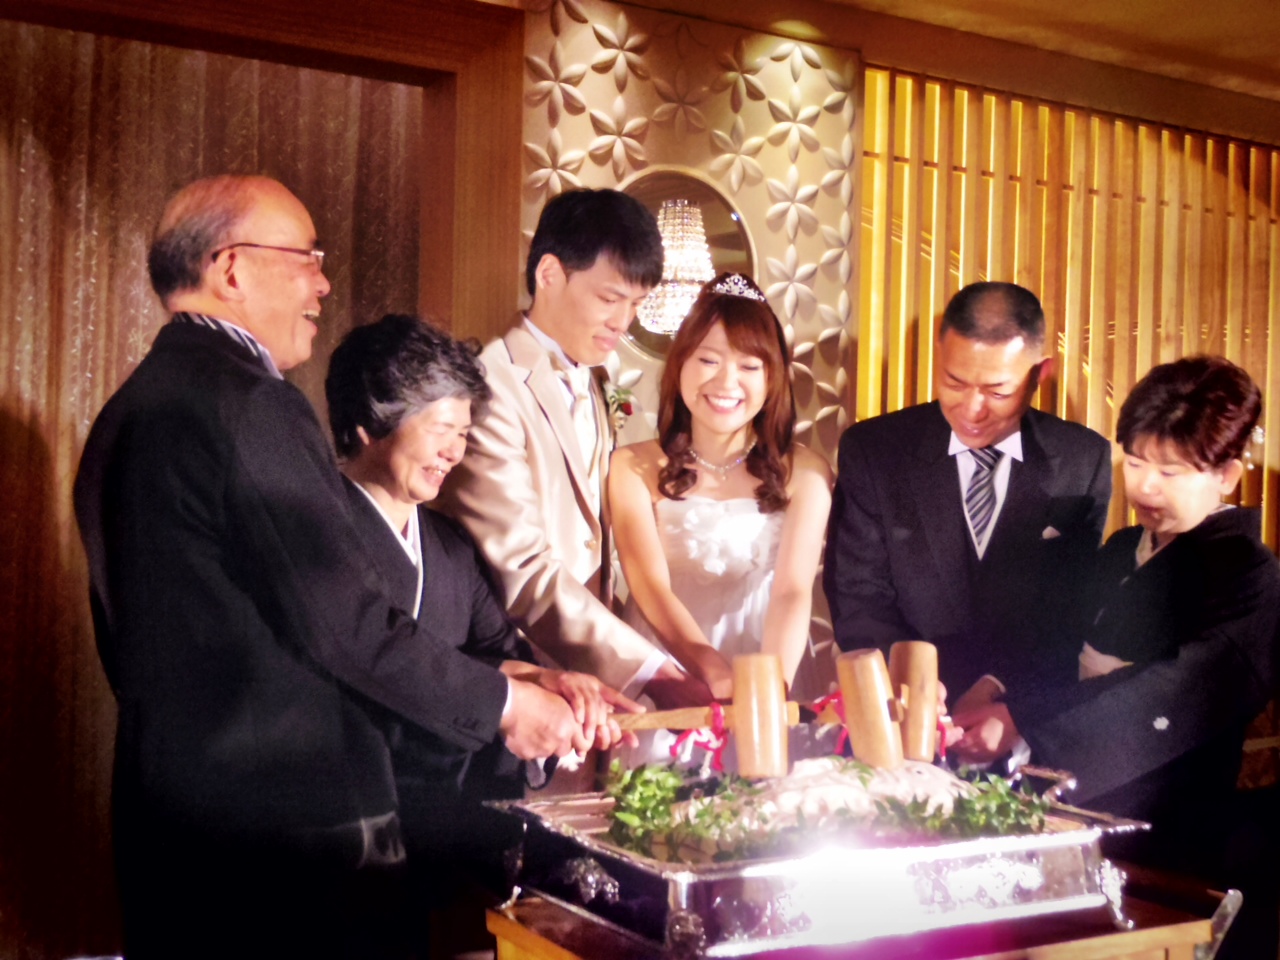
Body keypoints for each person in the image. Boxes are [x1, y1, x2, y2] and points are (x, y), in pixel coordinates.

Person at [73, 175, 585, 959]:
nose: (323, 283)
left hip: (167, 825)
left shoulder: (126, 411)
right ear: (232, 268)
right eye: (307, 258)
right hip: (288, 846)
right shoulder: (251, 402)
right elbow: (347, 626)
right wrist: (506, 706)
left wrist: (516, 676)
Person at [325, 313, 639, 954]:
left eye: (464, 434)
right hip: (346, 838)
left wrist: (553, 685)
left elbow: (493, 655)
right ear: (367, 423)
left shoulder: (448, 544)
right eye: (440, 430)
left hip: (451, 846)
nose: (454, 452)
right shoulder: (318, 534)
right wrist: (513, 702)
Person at [954, 355, 1280, 959]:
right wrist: (999, 687)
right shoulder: (1126, 547)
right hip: (1075, 812)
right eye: (1134, 462)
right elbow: (1053, 642)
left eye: (1170, 471)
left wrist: (1025, 722)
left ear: (1228, 475)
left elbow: (1172, 693)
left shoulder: (1250, 575)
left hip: (1169, 832)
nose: (1145, 487)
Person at [437, 187, 711, 709]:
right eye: (609, 299)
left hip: (593, 685)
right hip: (517, 677)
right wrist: (652, 675)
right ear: (549, 274)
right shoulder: (490, 384)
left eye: (636, 304)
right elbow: (520, 567)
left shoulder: (597, 378)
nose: (623, 322)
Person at [823, 281, 1112, 699]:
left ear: (1039, 374)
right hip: (904, 702)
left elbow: (1069, 608)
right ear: (940, 355)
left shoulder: (1082, 460)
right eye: (954, 383)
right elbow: (858, 597)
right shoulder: (875, 451)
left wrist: (1001, 689)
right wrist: (914, 687)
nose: (972, 411)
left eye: (998, 391)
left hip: (1021, 709)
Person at [609, 273, 832, 702]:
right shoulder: (631, 467)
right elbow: (648, 585)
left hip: (768, 655)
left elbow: (791, 591)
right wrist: (707, 667)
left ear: (772, 379)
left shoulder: (806, 472)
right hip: (669, 664)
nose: (727, 383)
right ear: (680, 365)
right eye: (709, 361)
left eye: (749, 367)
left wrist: (769, 689)